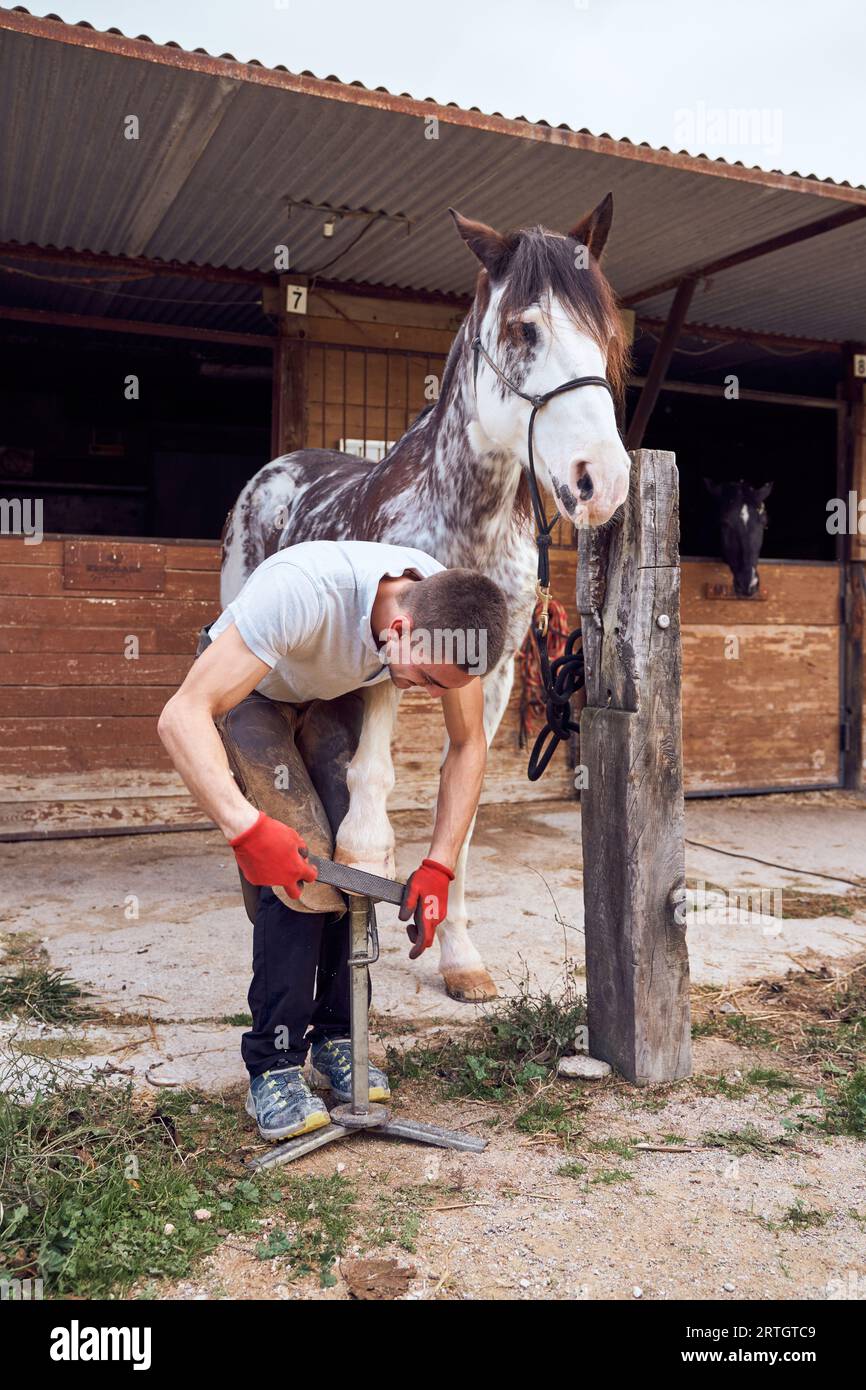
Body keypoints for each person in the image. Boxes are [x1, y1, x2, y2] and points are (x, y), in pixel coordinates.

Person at [158, 538, 508, 1141]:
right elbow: (182, 713)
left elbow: (469, 744)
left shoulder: (449, 622)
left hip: (329, 694)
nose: (427, 691)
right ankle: (273, 1066)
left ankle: (339, 1038)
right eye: (423, 676)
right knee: (300, 861)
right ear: (400, 626)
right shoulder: (301, 591)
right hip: (253, 694)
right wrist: (245, 828)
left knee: (357, 851)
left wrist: (441, 866)